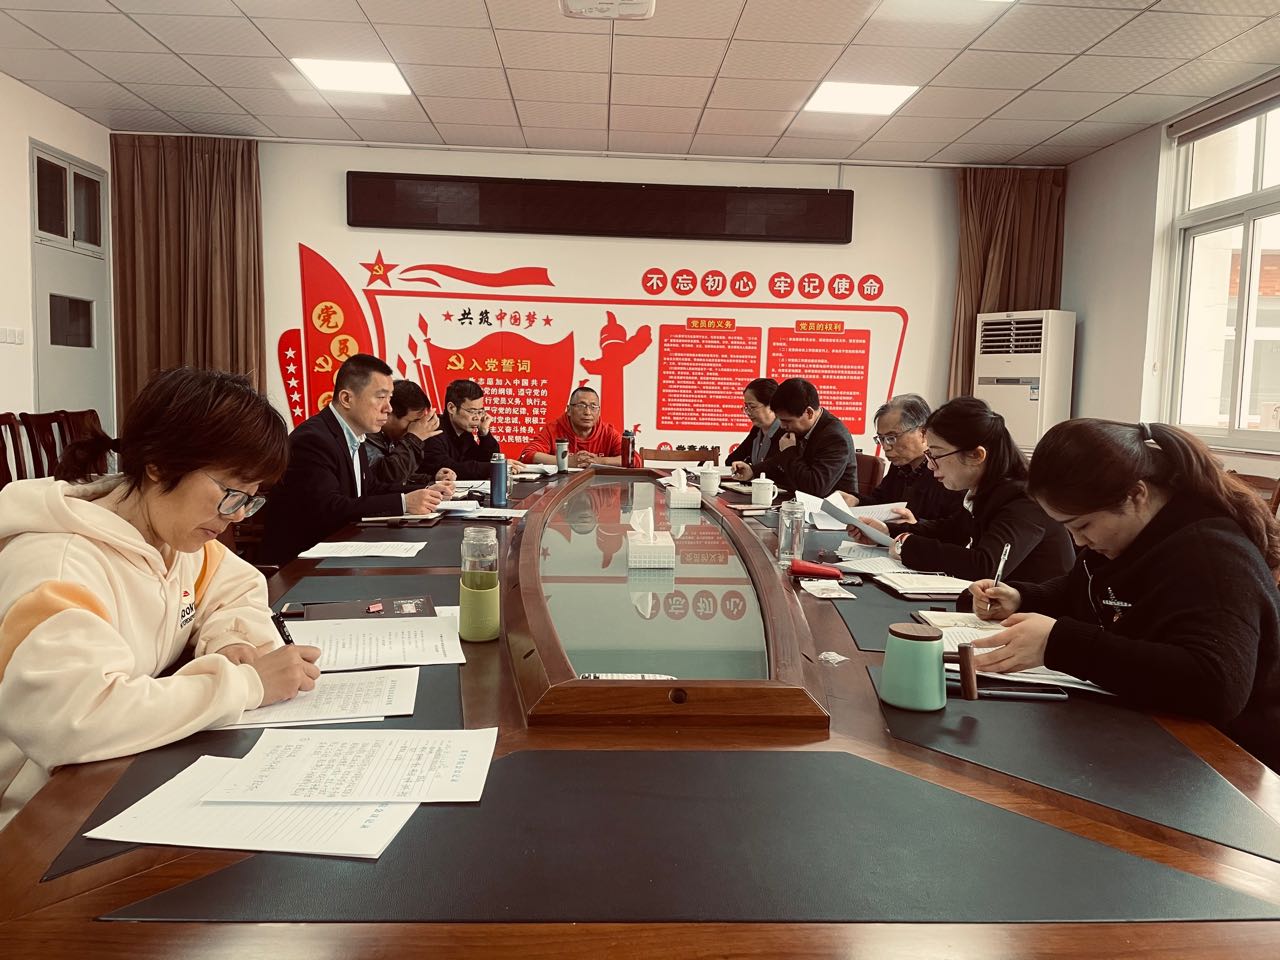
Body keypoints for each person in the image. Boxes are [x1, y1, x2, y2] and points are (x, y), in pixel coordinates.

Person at [0, 367, 323, 829]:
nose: (235, 517)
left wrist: (231, 639)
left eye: (250, 499)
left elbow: (236, 588)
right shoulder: (60, 567)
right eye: (230, 492)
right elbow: (75, 719)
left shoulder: (172, 538)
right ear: (159, 464)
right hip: (37, 814)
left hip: (120, 771)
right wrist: (247, 684)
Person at [966, 419, 1280, 772]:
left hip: (1225, 762)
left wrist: (1060, 644)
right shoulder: (1127, 538)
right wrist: (1022, 597)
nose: (1079, 541)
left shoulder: (1212, 555)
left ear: (1136, 495)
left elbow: (1216, 686)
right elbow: (1084, 590)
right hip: (1148, 734)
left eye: (1083, 525)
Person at [850, 396, 1073, 582]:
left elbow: (985, 566)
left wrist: (906, 546)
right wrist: (888, 532)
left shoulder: (1024, 500)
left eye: (936, 455)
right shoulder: (986, 490)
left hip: (1036, 615)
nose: (930, 465)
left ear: (976, 455)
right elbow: (952, 530)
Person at [260, 354, 451, 564]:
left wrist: (425, 490)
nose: (388, 408)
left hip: (340, 550)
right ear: (346, 399)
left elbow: (371, 488)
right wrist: (404, 503)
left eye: (389, 398)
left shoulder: (353, 435)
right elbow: (330, 508)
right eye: (381, 397)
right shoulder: (313, 439)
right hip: (301, 563)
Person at [840, 393, 965, 522]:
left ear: (923, 433)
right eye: (881, 439)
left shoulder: (945, 470)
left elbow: (955, 527)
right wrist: (856, 500)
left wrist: (914, 525)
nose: (885, 447)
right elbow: (881, 502)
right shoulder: (900, 465)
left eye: (891, 437)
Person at [731, 378, 856, 497]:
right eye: (780, 420)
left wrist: (788, 451)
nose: (782, 426)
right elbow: (777, 462)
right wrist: (753, 471)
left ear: (809, 413)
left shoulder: (834, 437)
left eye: (787, 421)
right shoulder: (801, 428)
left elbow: (816, 488)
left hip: (831, 508)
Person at [366, 379, 455, 489]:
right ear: (389, 413)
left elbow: (404, 476)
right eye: (414, 422)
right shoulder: (365, 437)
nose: (417, 427)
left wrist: (433, 479)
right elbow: (389, 477)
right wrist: (414, 439)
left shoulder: (390, 437)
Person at [518, 385, 622, 468]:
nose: (587, 412)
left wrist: (600, 461)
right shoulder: (553, 429)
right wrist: (566, 461)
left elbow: (630, 459)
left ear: (599, 411)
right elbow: (527, 455)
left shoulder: (608, 432)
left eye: (593, 406)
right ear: (569, 410)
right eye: (581, 406)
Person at [421, 379, 502, 481]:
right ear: (451, 408)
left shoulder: (463, 432)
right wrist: (495, 467)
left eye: (480, 411)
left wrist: (484, 434)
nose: (477, 418)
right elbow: (449, 468)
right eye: (472, 411)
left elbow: (484, 461)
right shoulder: (432, 430)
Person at [724, 378, 782, 481]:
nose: (748, 412)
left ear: (772, 406)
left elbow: (777, 470)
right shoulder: (757, 430)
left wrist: (752, 470)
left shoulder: (785, 431)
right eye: (746, 407)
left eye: (752, 407)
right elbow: (731, 460)